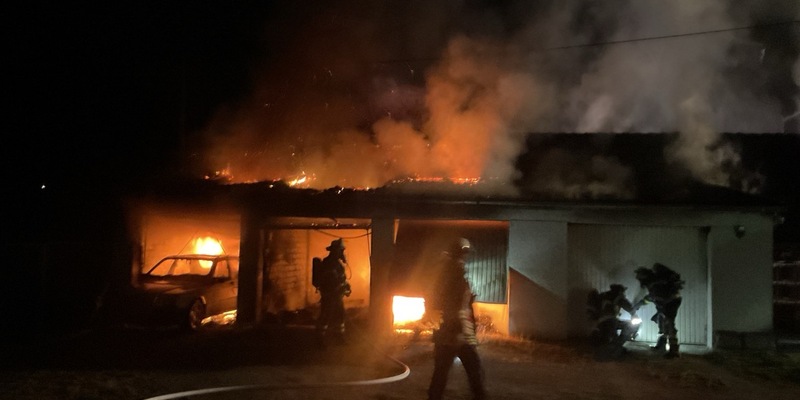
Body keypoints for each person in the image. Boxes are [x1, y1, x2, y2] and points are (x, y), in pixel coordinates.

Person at [426, 238, 487, 400]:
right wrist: (458, 331)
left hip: (452, 334)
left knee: (442, 374)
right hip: (454, 335)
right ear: (459, 255)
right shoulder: (453, 275)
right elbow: (452, 306)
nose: (465, 259)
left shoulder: (449, 273)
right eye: (464, 255)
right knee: (473, 373)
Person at [633, 263, 685, 358]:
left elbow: (653, 296)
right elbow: (653, 297)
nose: (638, 279)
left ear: (644, 276)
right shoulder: (654, 281)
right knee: (662, 321)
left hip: (671, 301)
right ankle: (662, 345)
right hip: (668, 301)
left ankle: (674, 351)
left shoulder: (654, 282)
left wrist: (639, 304)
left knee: (669, 323)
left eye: (639, 277)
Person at [314, 238, 351, 345]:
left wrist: (346, 287)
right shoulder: (328, 264)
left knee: (340, 315)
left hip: (337, 295)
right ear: (334, 251)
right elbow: (331, 281)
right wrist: (342, 287)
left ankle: (338, 337)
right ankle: (319, 339)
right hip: (330, 295)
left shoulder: (337, 264)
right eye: (340, 251)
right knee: (326, 316)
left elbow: (342, 279)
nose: (342, 253)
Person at [587, 284, 638, 350]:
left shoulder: (603, 295)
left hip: (599, 321)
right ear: (620, 291)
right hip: (611, 320)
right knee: (630, 325)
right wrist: (634, 314)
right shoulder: (617, 296)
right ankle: (618, 346)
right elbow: (627, 306)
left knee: (608, 336)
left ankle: (607, 344)